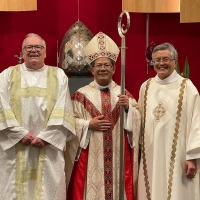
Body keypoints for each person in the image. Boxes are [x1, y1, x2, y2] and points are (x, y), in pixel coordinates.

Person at [0, 33, 76, 200]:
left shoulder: (58, 76)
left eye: (38, 47)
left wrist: (47, 137)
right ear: (22, 52)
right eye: (29, 47)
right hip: (14, 148)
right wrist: (19, 134)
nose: (33, 50)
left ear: (45, 52)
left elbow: (63, 111)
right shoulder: (7, 75)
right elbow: (1, 107)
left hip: (48, 148)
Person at [67, 32, 141, 200]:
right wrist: (87, 125)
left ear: (114, 69)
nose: (102, 69)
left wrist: (129, 108)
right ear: (92, 69)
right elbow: (70, 123)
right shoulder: (80, 95)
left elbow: (138, 122)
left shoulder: (124, 94)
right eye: (98, 65)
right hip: (91, 161)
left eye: (107, 65)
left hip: (117, 159)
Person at [137, 42, 200, 200]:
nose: (161, 63)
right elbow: (138, 118)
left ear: (175, 62)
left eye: (165, 59)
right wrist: (127, 109)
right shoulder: (146, 86)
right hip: (151, 152)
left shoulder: (187, 87)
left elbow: (197, 121)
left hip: (179, 156)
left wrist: (192, 156)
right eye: (157, 60)